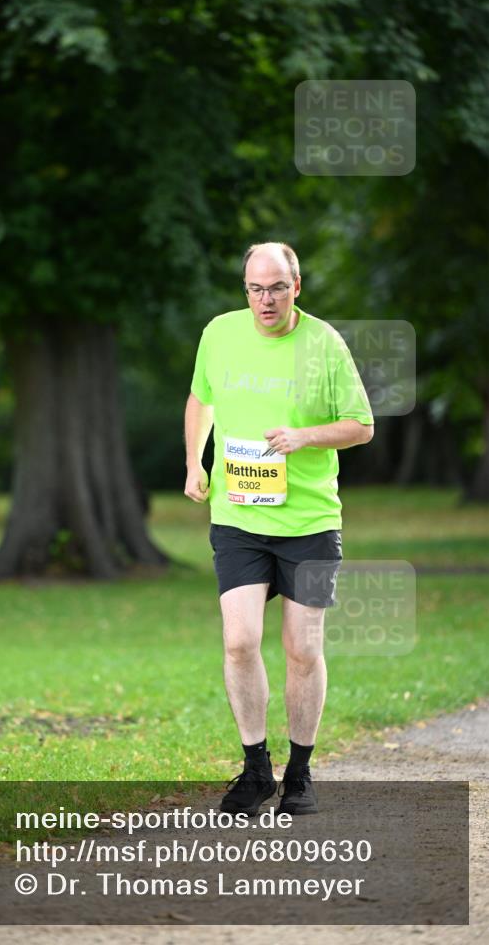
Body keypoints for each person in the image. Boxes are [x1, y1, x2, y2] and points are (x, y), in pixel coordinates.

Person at [184, 241, 374, 816]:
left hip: (309, 522)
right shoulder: (220, 333)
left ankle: (300, 772)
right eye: (254, 289)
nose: (265, 300)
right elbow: (200, 399)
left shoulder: (325, 344)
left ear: (297, 287)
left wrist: (304, 437)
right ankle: (255, 769)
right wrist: (194, 460)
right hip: (238, 517)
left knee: (302, 648)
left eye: (276, 288)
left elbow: (361, 425)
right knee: (239, 641)